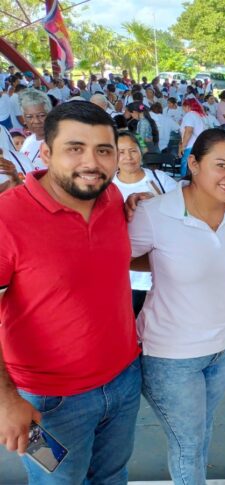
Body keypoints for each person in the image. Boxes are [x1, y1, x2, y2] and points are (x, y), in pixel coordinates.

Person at [0, 101, 141, 483]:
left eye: (103, 150)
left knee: (113, 476)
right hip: (46, 401)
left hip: (123, 383)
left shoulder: (111, 199)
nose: (91, 162)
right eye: (75, 148)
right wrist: (5, 399)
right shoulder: (7, 217)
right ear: (45, 152)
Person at [129, 128, 225, 485]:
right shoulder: (154, 213)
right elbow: (118, 257)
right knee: (188, 442)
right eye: (222, 166)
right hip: (171, 357)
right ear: (194, 164)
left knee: (200, 432)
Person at [113, 131, 178, 316]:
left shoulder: (160, 180)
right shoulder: (108, 187)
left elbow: (183, 212)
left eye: (133, 150)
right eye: (121, 152)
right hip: (126, 275)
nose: (128, 157)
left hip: (160, 271)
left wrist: (159, 202)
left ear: (141, 152)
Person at [17, 89, 51, 170]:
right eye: (29, 117)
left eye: (41, 115)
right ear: (24, 118)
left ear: (50, 115)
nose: (36, 121)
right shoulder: (27, 141)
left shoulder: (58, 142)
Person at [178, 97, 207, 177]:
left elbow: (189, 130)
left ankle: (185, 184)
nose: (183, 109)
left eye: (183, 107)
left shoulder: (190, 115)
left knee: (187, 167)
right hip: (201, 145)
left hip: (191, 146)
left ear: (187, 106)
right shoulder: (201, 116)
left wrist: (183, 146)